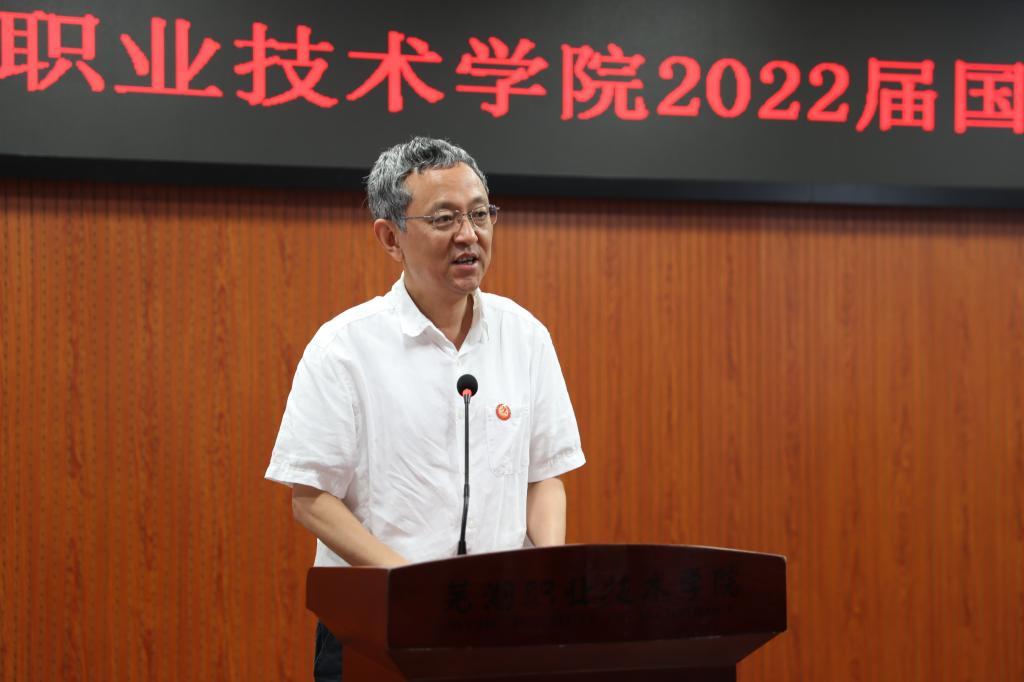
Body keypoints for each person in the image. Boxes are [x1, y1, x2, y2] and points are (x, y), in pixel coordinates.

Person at [265, 136, 586, 680]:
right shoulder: (344, 347)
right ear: (391, 237)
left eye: (480, 214)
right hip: (378, 623)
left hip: (501, 624)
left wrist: (545, 572)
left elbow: (544, 476)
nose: (469, 235)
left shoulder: (525, 336)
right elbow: (312, 499)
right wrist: (413, 586)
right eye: (444, 219)